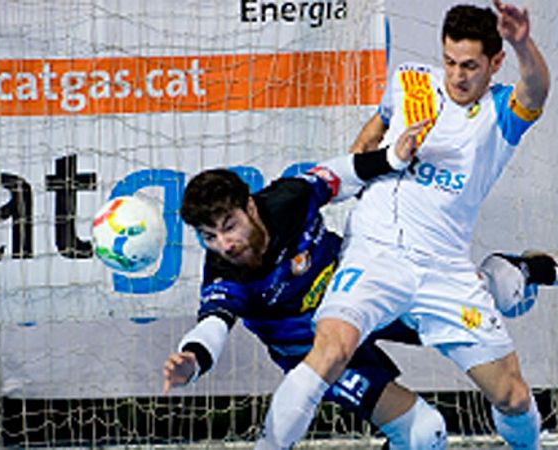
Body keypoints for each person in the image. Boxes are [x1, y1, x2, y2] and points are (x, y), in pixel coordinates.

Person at [255, 2, 558, 449]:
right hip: (373, 253)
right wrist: (365, 161)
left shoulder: (501, 113)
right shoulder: (410, 80)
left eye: (471, 66)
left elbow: (536, 90)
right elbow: (376, 127)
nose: (457, 76)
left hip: (443, 269)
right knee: (331, 351)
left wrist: (521, 44)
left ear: (495, 63)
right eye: (450, 62)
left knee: (512, 396)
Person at [163, 121, 452, 449]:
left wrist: (393, 159)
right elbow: (213, 325)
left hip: (362, 296)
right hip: (314, 351)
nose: (225, 244)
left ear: (252, 207)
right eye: (209, 236)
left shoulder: (289, 200)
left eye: (230, 227)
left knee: (471, 302)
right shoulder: (225, 272)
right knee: (426, 433)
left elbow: (338, 174)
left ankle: (521, 272)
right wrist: (193, 358)